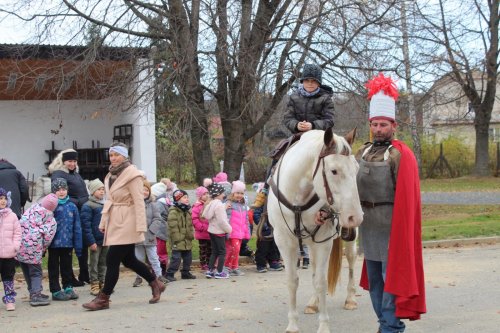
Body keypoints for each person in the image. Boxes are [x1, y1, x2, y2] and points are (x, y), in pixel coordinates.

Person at [357, 73, 426, 332]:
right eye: (374, 124)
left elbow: (407, 199)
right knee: (375, 281)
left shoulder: (400, 154)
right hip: (369, 227)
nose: (378, 129)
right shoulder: (362, 151)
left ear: (393, 125)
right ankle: (385, 322)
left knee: (390, 280)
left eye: (383, 125)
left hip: (391, 227)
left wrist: (401, 231)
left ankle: (390, 327)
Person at [82, 142, 165, 311]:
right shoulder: (110, 175)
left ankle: (104, 298)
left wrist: (141, 226)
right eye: (111, 155)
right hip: (116, 219)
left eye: (116, 155)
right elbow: (110, 201)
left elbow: (139, 202)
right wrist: (103, 221)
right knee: (129, 259)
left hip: (129, 220)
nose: (113, 158)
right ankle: (155, 282)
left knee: (112, 258)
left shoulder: (133, 175)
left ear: (124, 156)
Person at [253, 63, 335, 208]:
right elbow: (287, 118)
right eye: (307, 80)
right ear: (302, 81)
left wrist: (313, 125)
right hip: (298, 136)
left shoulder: (326, 99)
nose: (310, 83)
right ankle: (265, 190)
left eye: (313, 81)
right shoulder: (293, 97)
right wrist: (296, 125)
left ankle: (335, 192)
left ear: (318, 83)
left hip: (319, 137)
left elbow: (329, 121)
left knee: (335, 160)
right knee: (277, 155)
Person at [48, 149, 89, 286]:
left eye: (74, 161)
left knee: (82, 243)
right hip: (68, 213)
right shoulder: (59, 174)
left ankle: (84, 273)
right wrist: (78, 202)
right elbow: (59, 194)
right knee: (67, 250)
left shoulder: (75, 174)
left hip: (80, 211)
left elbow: (82, 191)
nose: (72, 164)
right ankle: (70, 278)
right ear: (64, 162)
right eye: (70, 161)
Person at [17, 193, 58, 306]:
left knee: (26, 268)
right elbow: (48, 237)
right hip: (34, 248)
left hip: (20, 245)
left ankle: (33, 291)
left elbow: (20, 224)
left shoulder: (31, 210)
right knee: (36, 272)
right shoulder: (51, 220)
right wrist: (43, 248)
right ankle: (36, 295)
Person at [48, 178, 83, 301]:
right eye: (58, 190)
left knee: (67, 266)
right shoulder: (51, 206)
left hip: (68, 243)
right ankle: (55, 290)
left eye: (64, 189)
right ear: (53, 191)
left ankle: (68, 286)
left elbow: (77, 227)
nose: (61, 192)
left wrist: (78, 245)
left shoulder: (72, 206)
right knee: (53, 267)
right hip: (53, 243)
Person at [133, 180, 166, 286]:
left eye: (146, 190)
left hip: (150, 235)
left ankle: (159, 275)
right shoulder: (133, 204)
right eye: (141, 190)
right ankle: (139, 277)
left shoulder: (153, 204)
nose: (144, 192)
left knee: (153, 257)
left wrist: (151, 230)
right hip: (137, 235)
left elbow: (157, 219)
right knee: (138, 259)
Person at [80, 179, 108, 296]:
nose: (102, 192)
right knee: (94, 263)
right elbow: (86, 226)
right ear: (92, 191)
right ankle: (94, 283)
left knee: (104, 262)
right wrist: (91, 241)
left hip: (106, 239)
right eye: (99, 189)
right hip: (95, 240)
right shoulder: (88, 206)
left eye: (103, 189)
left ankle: (103, 282)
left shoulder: (106, 204)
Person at [202, 183, 232, 279]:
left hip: (212, 231)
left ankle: (210, 270)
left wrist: (224, 207)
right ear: (218, 193)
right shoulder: (219, 205)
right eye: (223, 193)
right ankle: (219, 271)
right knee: (222, 252)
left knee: (214, 251)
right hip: (219, 232)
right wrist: (229, 229)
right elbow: (222, 220)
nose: (224, 194)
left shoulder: (212, 203)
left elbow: (208, 215)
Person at [165, 189, 196, 282]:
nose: (187, 199)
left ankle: (185, 272)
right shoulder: (173, 211)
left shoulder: (187, 211)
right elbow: (172, 226)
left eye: (187, 197)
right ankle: (170, 273)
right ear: (178, 199)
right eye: (184, 197)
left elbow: (190, 225)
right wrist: (177, 238)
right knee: (176, 258)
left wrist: (191, 235)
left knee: (188, 257)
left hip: (187, 239)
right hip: (177, 240)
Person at [0, 188, 21, 311]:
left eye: (4, 198)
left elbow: (17, 233)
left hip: (9, 254)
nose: (3, 201)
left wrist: (15, 246)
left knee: (8, 277)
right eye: (0, 199)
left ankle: (9, 299)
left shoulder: (12, 216)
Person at [224, 181, 251, 276]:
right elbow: (225, 218)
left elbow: (246, 220)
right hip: (231, 232)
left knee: (237, 250)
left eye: (242, 193)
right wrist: (226, 232)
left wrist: (247, 232)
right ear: (233, 193)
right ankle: (227, 267)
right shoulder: (229, 204)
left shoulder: (243, 205)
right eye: (237, 193)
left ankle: (234, 267)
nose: (239, 195)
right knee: (231, 249)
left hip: (240, 233)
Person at [191, 186, 211, 271]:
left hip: (210, 232)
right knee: (203, 249)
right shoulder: (197, 206)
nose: (206, 195)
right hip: (202, 232)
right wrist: (201, 227)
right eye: (204, 194)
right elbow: (194, 218)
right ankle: (203, 264)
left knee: (210, 249)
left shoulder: (210, 204)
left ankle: (210, 263)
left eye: (207, 193)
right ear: (199, 196)